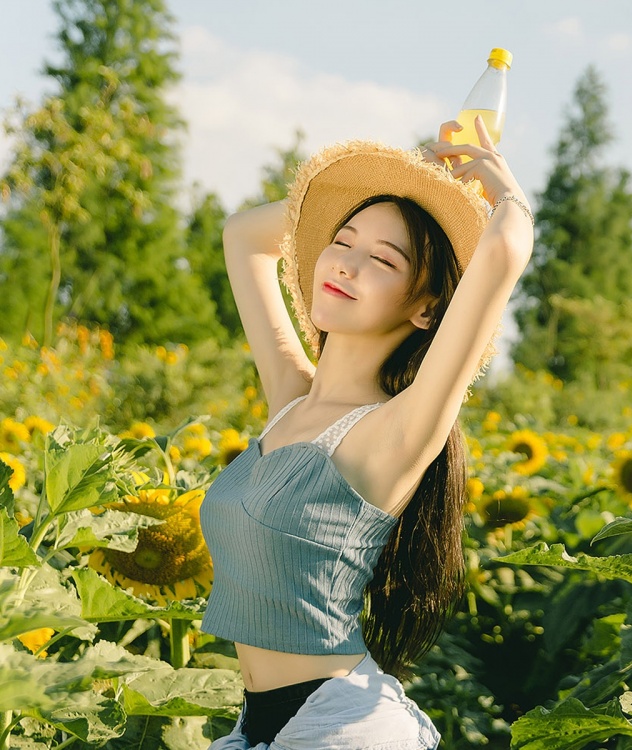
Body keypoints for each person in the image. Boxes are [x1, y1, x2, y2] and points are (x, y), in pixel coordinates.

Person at [199, 116, 534, 749]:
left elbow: (503, 249)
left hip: (340, 728)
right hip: (258, 727)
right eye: (341, 240)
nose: (346, 265)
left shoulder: (393, 431)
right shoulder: (290, 402)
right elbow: (244, 236)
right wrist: (404, 173)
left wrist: (498, 188)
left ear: (426, 308)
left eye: (382, 259)